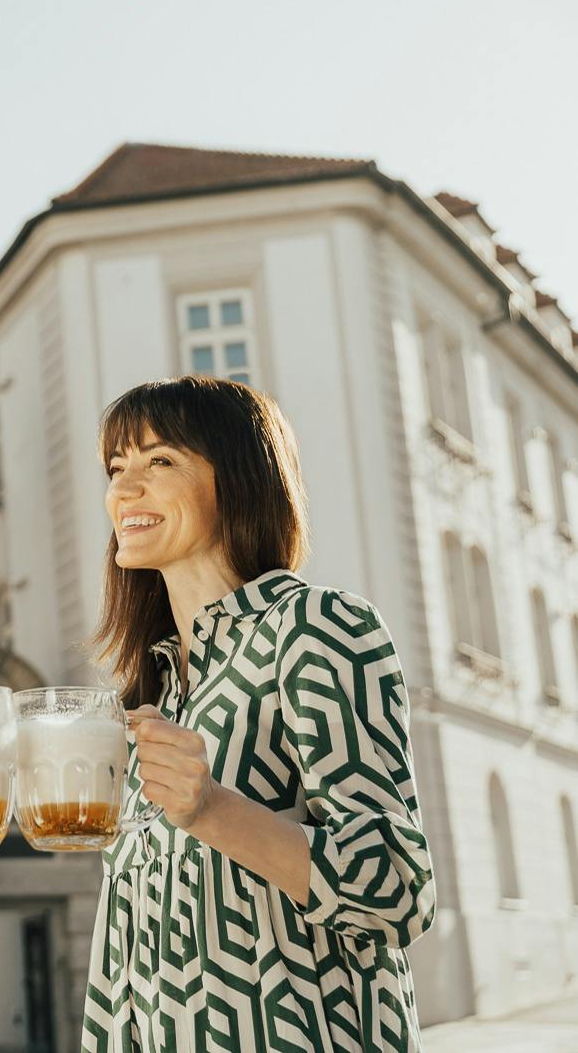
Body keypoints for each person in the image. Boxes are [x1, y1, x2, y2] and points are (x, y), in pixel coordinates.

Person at [84, 375, 435, 1051]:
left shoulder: (315, 626)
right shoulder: (151, 691)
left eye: (160, 462)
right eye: (116, 467)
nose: (124, 491)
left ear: (241, 479)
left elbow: (396, 886)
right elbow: (123, 954)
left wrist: (212, 809)